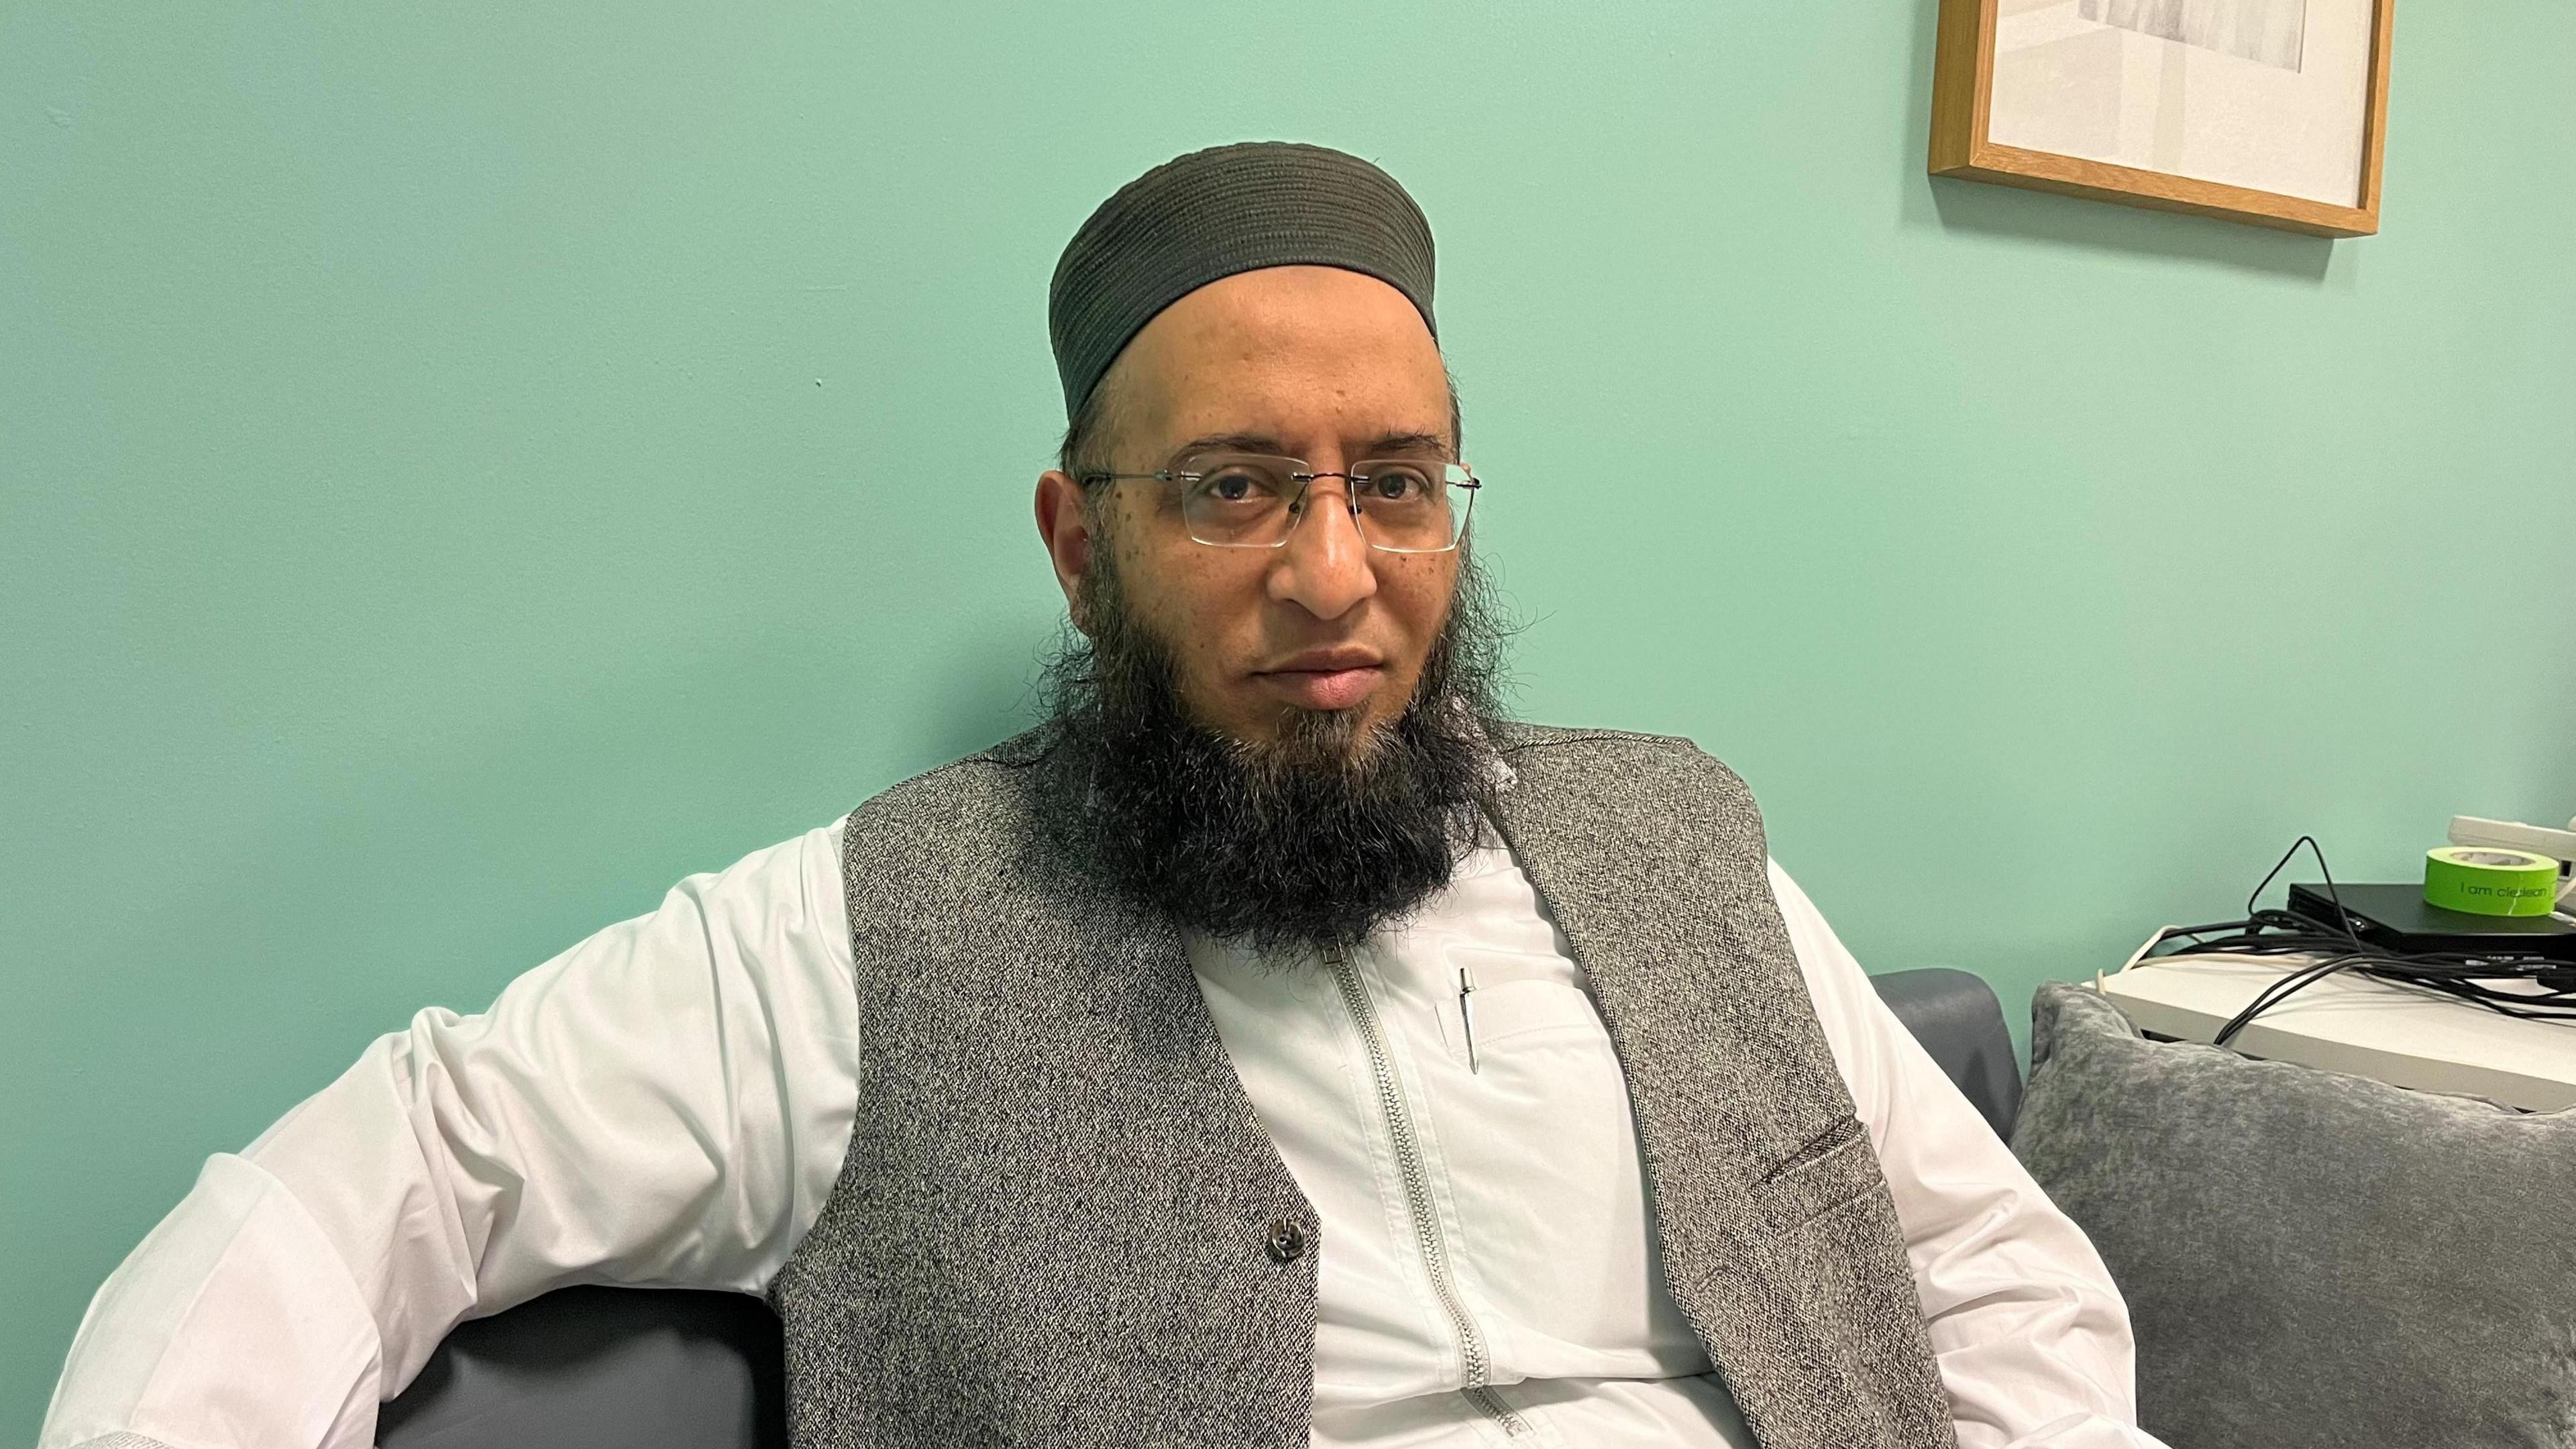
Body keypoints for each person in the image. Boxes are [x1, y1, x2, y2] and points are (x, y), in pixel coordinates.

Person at [42, 142, 2161, 1449]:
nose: (1335, 574)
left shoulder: (1672, 836)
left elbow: (1990, 1278)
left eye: (1395, 486)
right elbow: (391, 1169)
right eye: (1237, 487)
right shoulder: (876, 933)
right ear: (1081, 541)